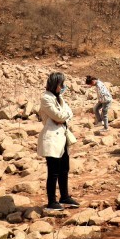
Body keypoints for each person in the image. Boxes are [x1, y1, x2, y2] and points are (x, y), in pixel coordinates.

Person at [37, 72, 79, 211]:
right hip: (52, 138)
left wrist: (62, 117)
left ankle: (64, 196)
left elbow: (67, 114)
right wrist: (62, 117)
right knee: (53, 171)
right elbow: (58, 115)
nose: (63, 87)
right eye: (61, 84)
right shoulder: (46, 98)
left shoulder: (59, 97)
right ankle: (51, 201)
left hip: (62, 137)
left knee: (64, 169)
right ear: (56, 84)